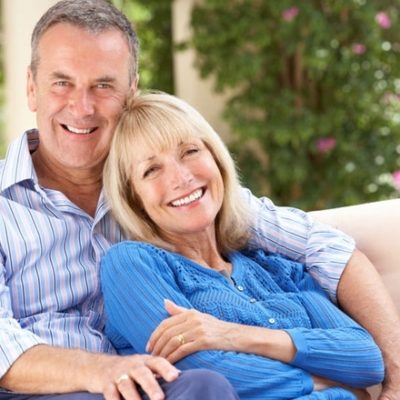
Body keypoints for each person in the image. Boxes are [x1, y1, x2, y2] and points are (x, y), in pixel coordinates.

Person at [0, 0, 399, 399]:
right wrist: (104, 371)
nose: (83, 107)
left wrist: (394, 379)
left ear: (131, 91)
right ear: (32, 87)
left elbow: (327, 250)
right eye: (61, 83)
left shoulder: (173, 196)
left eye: (103, 85)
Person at [101, 91, 384, 399]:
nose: (181, 178)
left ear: (216, 158)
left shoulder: (275, 266)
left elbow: (367, 358)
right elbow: (202, 372)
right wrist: (329, 381)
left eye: (190, 151)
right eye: (151, 170)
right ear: (134, 199)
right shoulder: (132, 264)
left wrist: (232, 336)